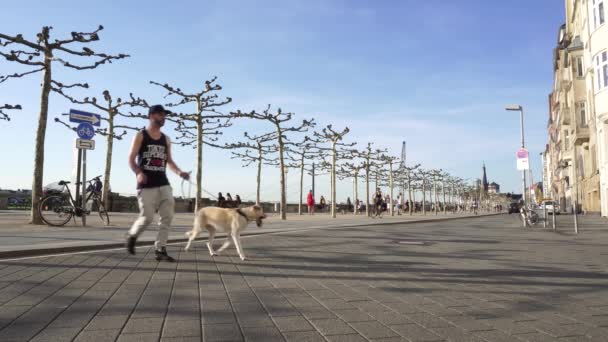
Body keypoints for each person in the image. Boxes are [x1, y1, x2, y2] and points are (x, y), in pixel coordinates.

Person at [126, 104, 189, 262]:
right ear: (151, 116)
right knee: (147, 218)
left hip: (163, 183)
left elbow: (169, 161)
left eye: (164, 115)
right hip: (146, 184)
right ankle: (132, 235)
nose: (164, 117)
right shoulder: (141, 135)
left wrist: (180, 172)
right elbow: (131, 159)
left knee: (167, 216)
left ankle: (160, 248)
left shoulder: (166, 139)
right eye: (161, 114)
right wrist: (139, 173)